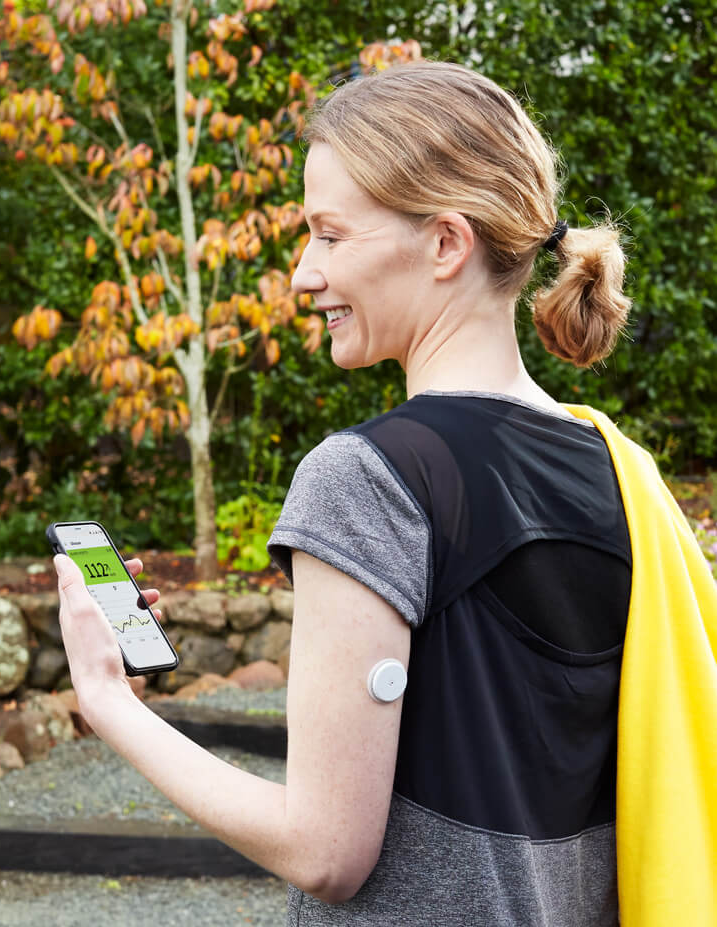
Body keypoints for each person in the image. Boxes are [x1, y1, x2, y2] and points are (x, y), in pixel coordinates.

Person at [53, 60, 717, 925]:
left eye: (330, 236)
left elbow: (326, 850)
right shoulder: (622, 473)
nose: (301, 274)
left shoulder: (369, 478)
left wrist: (108, 703)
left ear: (446, 242)